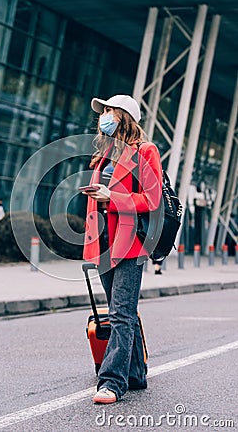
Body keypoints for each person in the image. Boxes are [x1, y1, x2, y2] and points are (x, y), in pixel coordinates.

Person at [82, 94, 162, 404]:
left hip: (130, 244)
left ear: (124, 117)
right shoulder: (104, 156)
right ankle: (136, 375)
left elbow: (152, 200)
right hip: (101, 244)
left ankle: (112, 383)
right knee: (122, 314)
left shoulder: (145, 152)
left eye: (109, 111)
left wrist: (112, 199)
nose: (103, 117)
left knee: (120, 313)